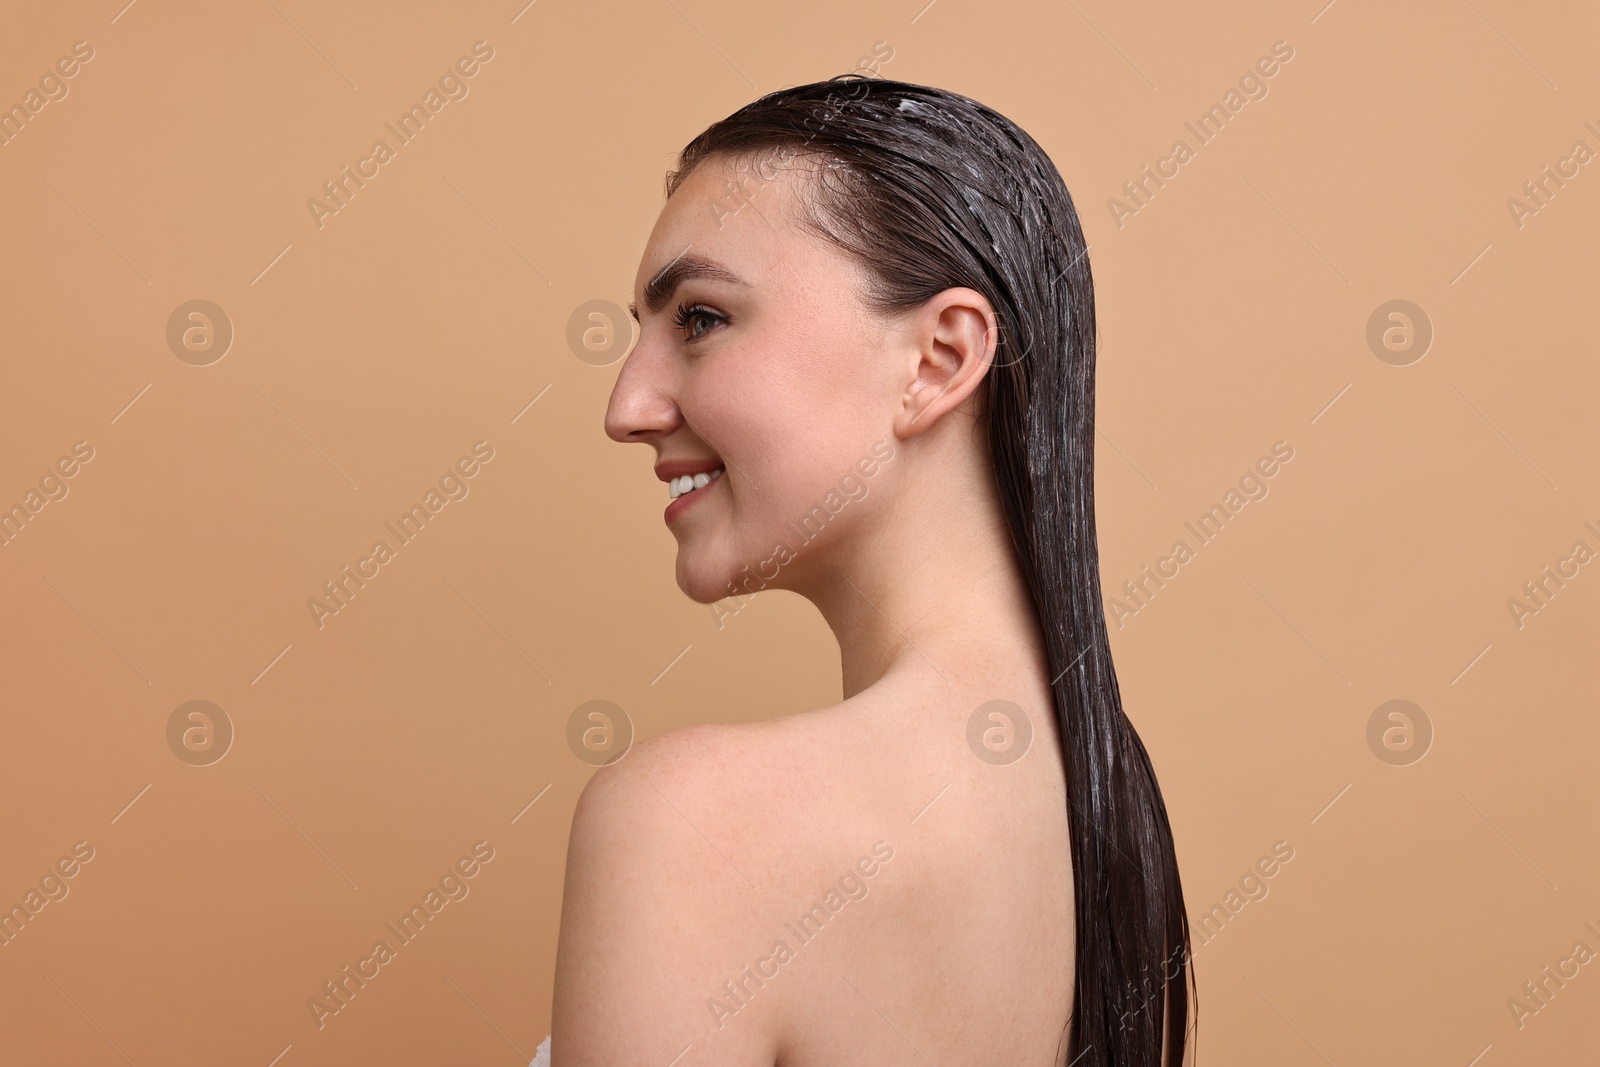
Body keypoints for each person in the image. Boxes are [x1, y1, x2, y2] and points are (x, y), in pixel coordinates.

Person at [552, 75, 1193, 1067]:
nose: (627, 404)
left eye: (701, 317)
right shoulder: (1098, 807)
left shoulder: (695, 824)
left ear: (937, 360)